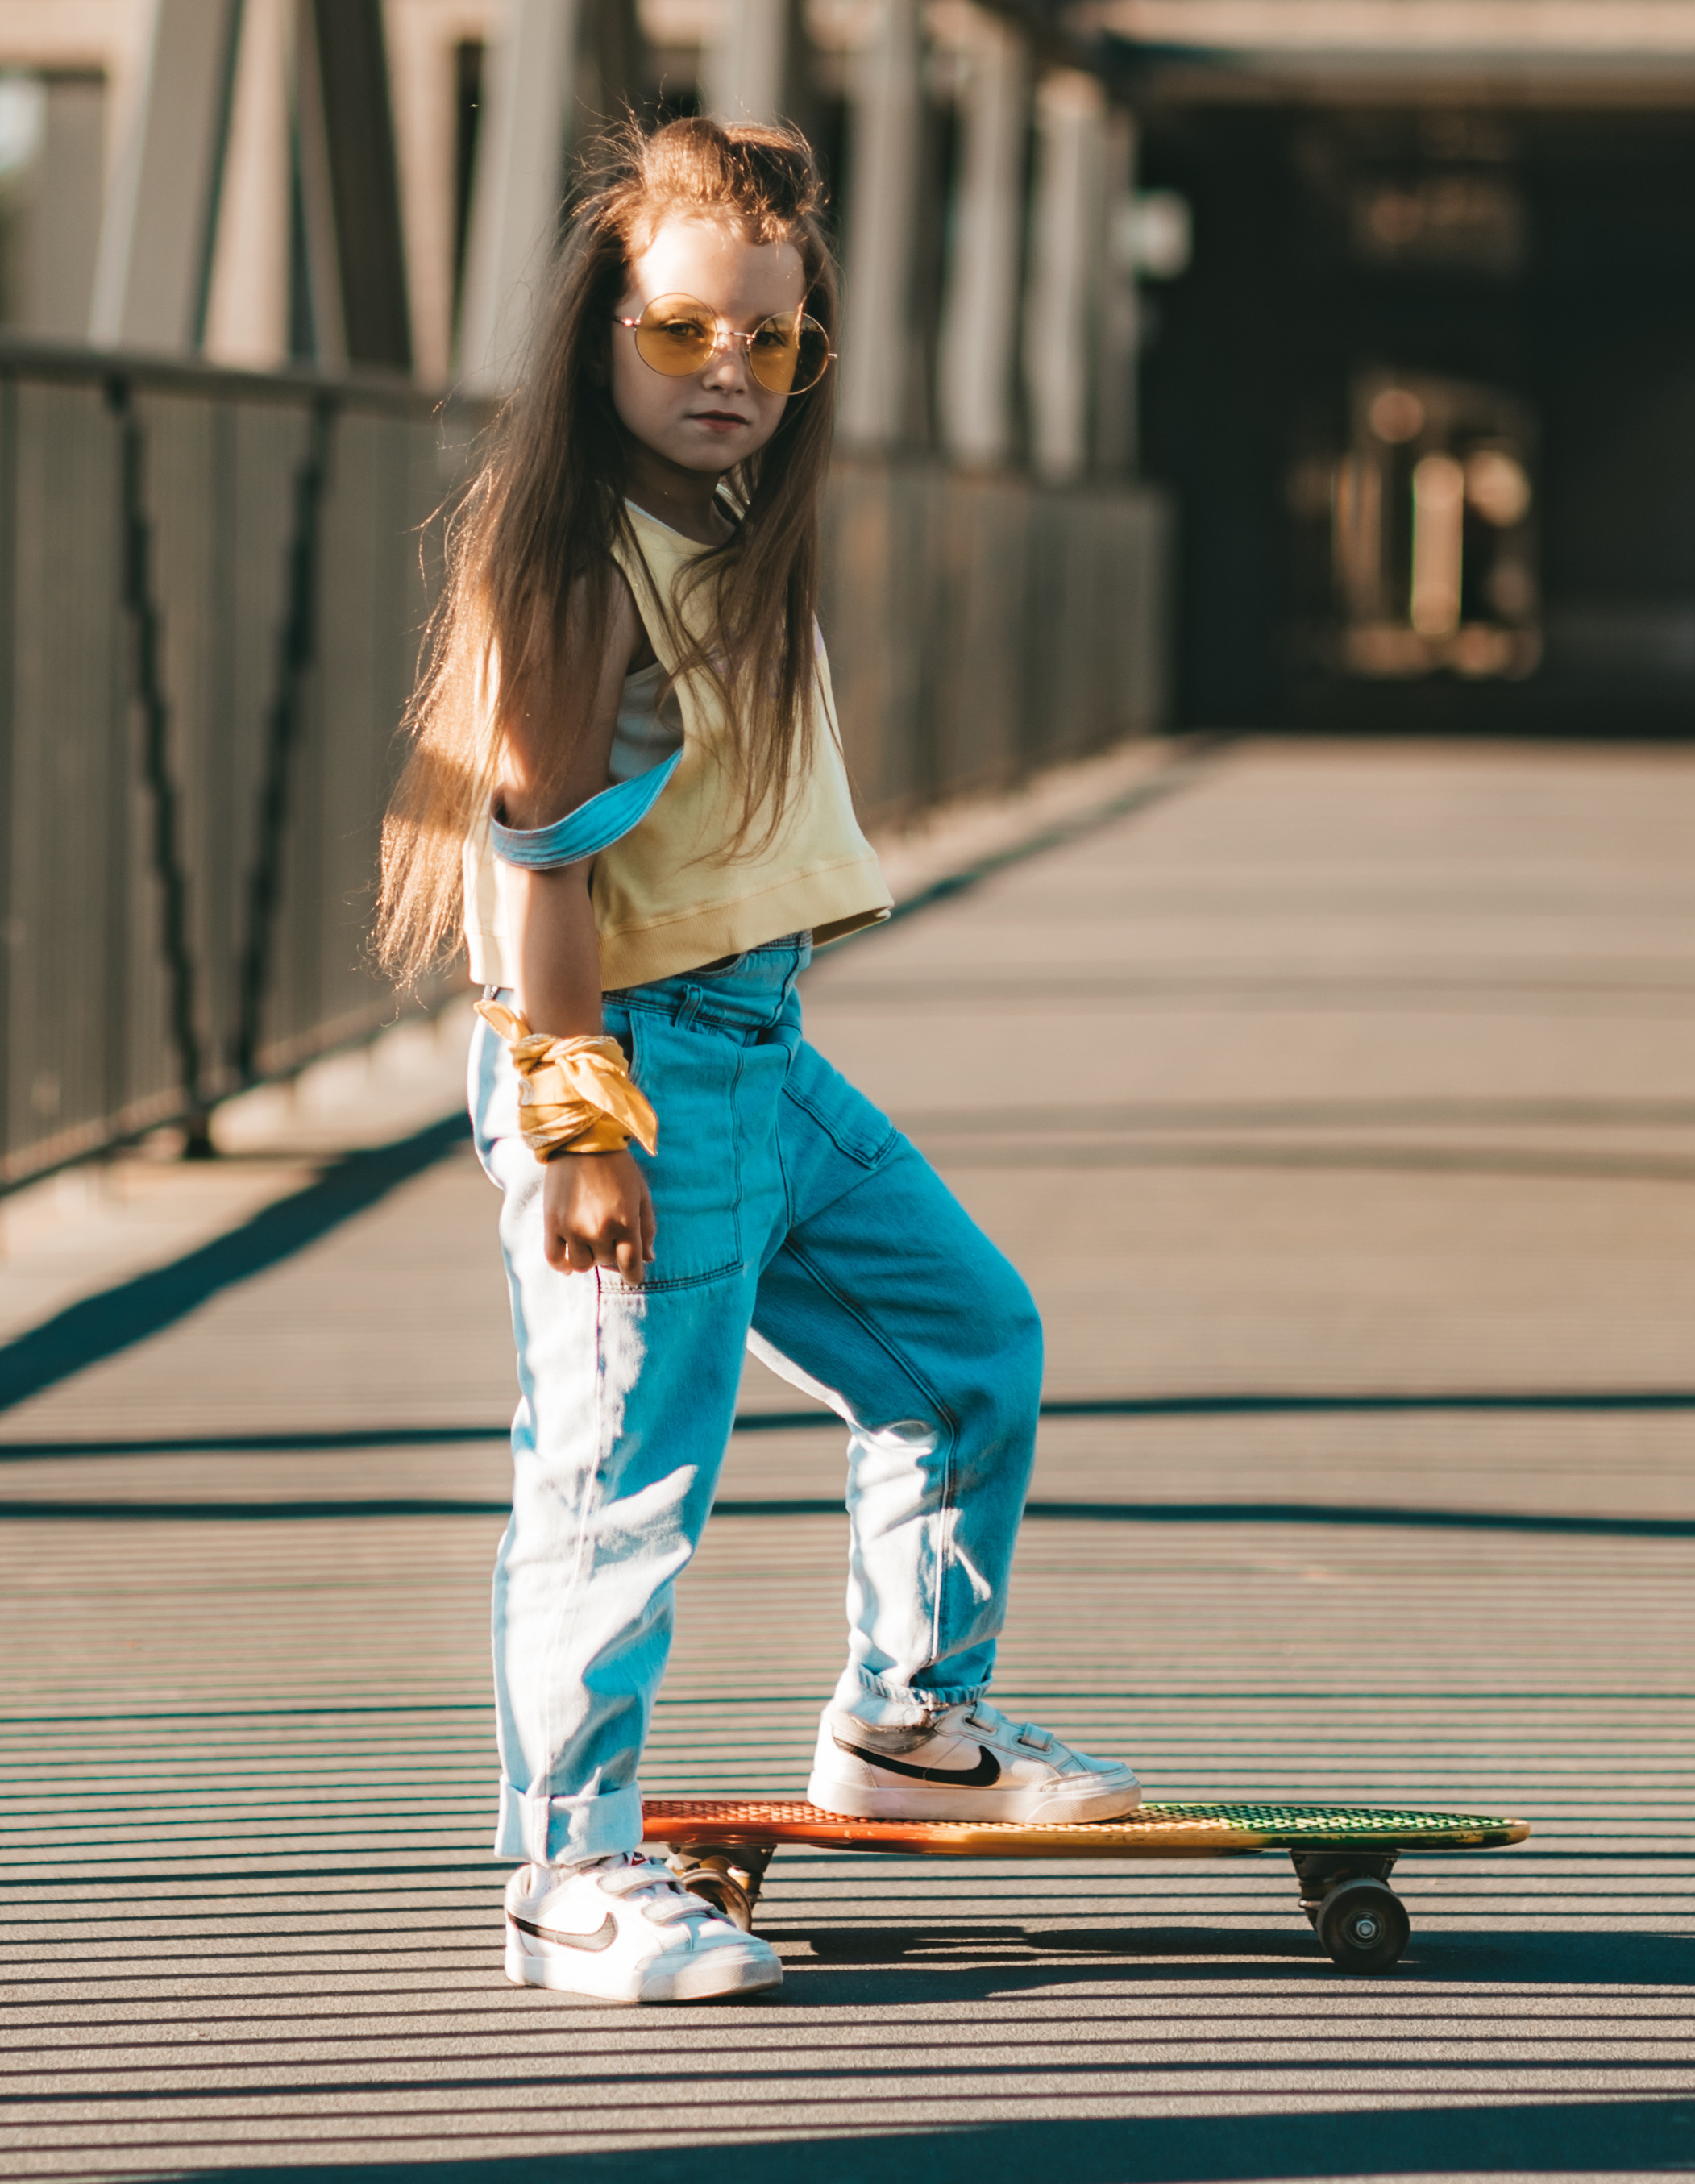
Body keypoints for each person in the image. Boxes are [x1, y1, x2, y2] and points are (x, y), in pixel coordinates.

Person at [377, 116, 1140, 2006]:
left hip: (762, 1053)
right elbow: (538, 873)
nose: (731, 375)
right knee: (621, 1483)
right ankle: (563, 1878)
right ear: (599, 336)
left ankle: (910, 1729)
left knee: (967, 1349)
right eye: (684, 334)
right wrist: (577, 1134)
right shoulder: (573, 572)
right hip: (630, 1065)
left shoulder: (729, 530)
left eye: (772, 346)